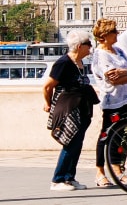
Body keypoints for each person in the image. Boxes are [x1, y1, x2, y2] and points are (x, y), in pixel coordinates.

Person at [43, 29, 98, 192]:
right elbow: (48, 86)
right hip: (68, 109)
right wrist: (48, 104)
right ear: (80, 46)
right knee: (70, 143)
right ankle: (57, 179)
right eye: (89, 44)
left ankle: (69, 177)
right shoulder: (63, 63)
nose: (90, 48)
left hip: (81, 108)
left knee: (77, 144)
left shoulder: (79, 63)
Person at [90, 18, 127, 188]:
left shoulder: (119, 51)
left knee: (120, 137)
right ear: (104, 36)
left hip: (125, 98)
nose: (117, 34)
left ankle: (117, 169)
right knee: (106, 135)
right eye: (113, 31)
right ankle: (100, 171)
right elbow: (112, 79)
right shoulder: (99, 54)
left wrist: (125, 73)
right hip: (111, 101)